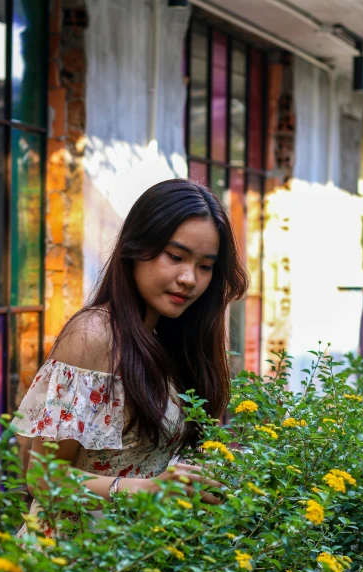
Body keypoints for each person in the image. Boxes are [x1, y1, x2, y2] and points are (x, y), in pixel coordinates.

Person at [14, 178, 248, 534]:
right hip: (71, 564)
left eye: (205, 266)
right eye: (176, 256)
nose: (189, 278)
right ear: (136, 248)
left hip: (136, 559)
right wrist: (146, 490)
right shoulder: (94, 336)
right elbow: (43, 479)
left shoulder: (170, 339)